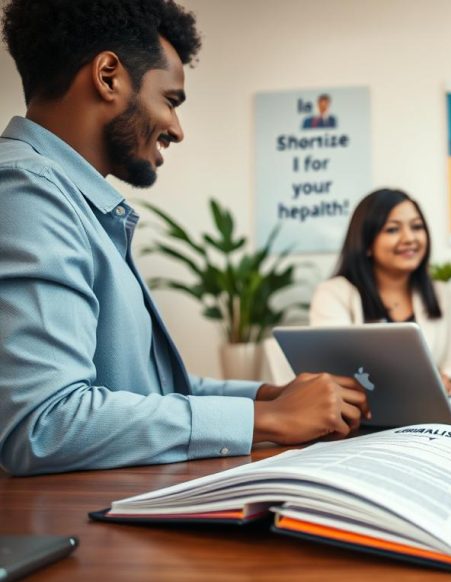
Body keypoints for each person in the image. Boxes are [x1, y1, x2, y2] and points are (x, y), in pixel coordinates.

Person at [0, 0, 368, 477]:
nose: (176, 128)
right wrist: (269, 419)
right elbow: (46, 423)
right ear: (108, 75)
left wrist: (264, 396)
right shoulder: (26, 191)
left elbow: (146, 393)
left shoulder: (70, 199)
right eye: (170, 100)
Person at [310, 189, 451, 395]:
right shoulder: (333, 294)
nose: (409, 238)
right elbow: (334, 371)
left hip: (429, 415)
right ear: (366, 243)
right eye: (393, 229)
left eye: (417, 227)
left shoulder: (442, 293)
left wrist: (449, 381)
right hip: (362, 418)